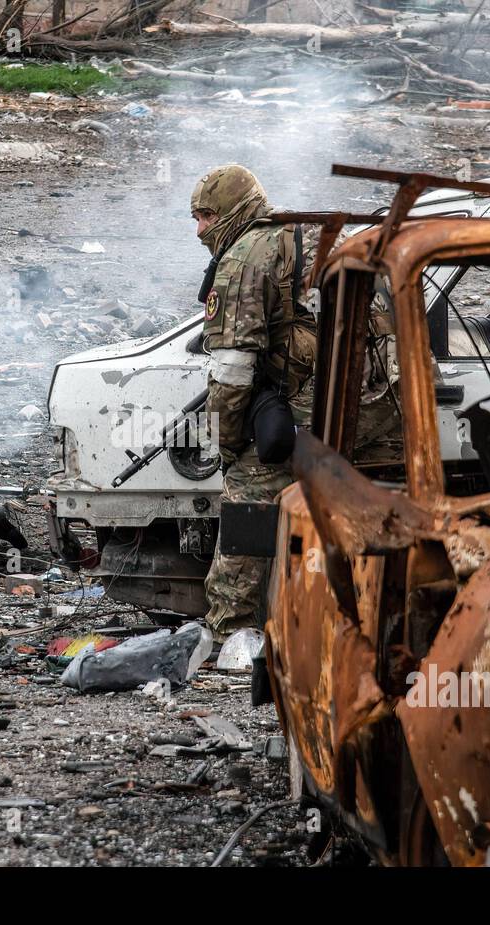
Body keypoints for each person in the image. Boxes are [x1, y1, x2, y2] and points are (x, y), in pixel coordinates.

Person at [191, 164, 317, 638]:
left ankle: (233, 631)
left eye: (206, 216)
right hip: (362, 400)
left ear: (232, 211)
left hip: (301, 403)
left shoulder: (244, 257)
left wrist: (226, 445)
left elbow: (232, 371)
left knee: (247, 491)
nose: (201, 229)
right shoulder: (297, 234)